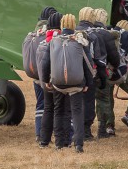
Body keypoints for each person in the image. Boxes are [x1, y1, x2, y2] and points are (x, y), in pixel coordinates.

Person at [40, 14, 93, 153]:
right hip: (76, 83)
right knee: (77, 112)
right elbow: (88, 64)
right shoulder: (79, 41)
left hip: (58, 83)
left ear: (62, 25)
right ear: (74, 25)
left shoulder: (53, 41)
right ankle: (78, 144)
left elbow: (45, 63)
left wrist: (46, 80)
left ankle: (58, 143)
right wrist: (88, 82)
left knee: (58, 111)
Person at [76, 7, 108, 141]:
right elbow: (99, 60)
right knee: (88, 103)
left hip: (71, 74)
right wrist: (103, 78)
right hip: (88, 76)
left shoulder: (73, 32)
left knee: (73, 103)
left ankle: (72, 129)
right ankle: (86, 132)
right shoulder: (93, 36)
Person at [91, 8, 122, 138]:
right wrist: (113, 67)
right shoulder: (106, 34)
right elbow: (115, 58)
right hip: (102, 72)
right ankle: (102, 129)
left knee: (87, 101)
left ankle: (85, 130)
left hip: (87, 73)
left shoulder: (86, 32)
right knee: (103, 100)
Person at [29, 6, 57, 142]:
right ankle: (48, 135)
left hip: (35, 75)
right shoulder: (51, 33)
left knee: (40, 104)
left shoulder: (35, 32)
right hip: (47, 76)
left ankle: (39, 134)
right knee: (51, 105)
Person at [37, 12, 63, 148]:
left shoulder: (42, 41)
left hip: (45, 81)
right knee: (60, 110)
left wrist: (44, 80)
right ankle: (60, 140)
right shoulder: (60, 41)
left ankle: (44, 140)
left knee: (48, 108)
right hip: (57, 80)